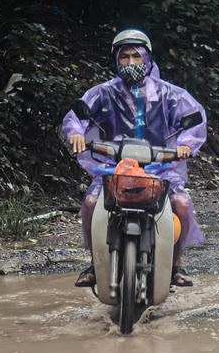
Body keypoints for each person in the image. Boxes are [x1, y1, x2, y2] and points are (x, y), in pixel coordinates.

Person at [62, 28, 208, 288]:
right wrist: (75, 133)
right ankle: (95, 264)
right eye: (124, 57)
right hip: (112, 168)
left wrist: (185, 144)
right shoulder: (103, 93)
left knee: (183, 204)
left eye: (136, 56)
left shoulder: (169, 94)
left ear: (147, 58)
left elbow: (194, 119)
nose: (131, 63)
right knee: (90, 203)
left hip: (160, 168)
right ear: (116, 60)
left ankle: (175, 265)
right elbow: (77, 115)